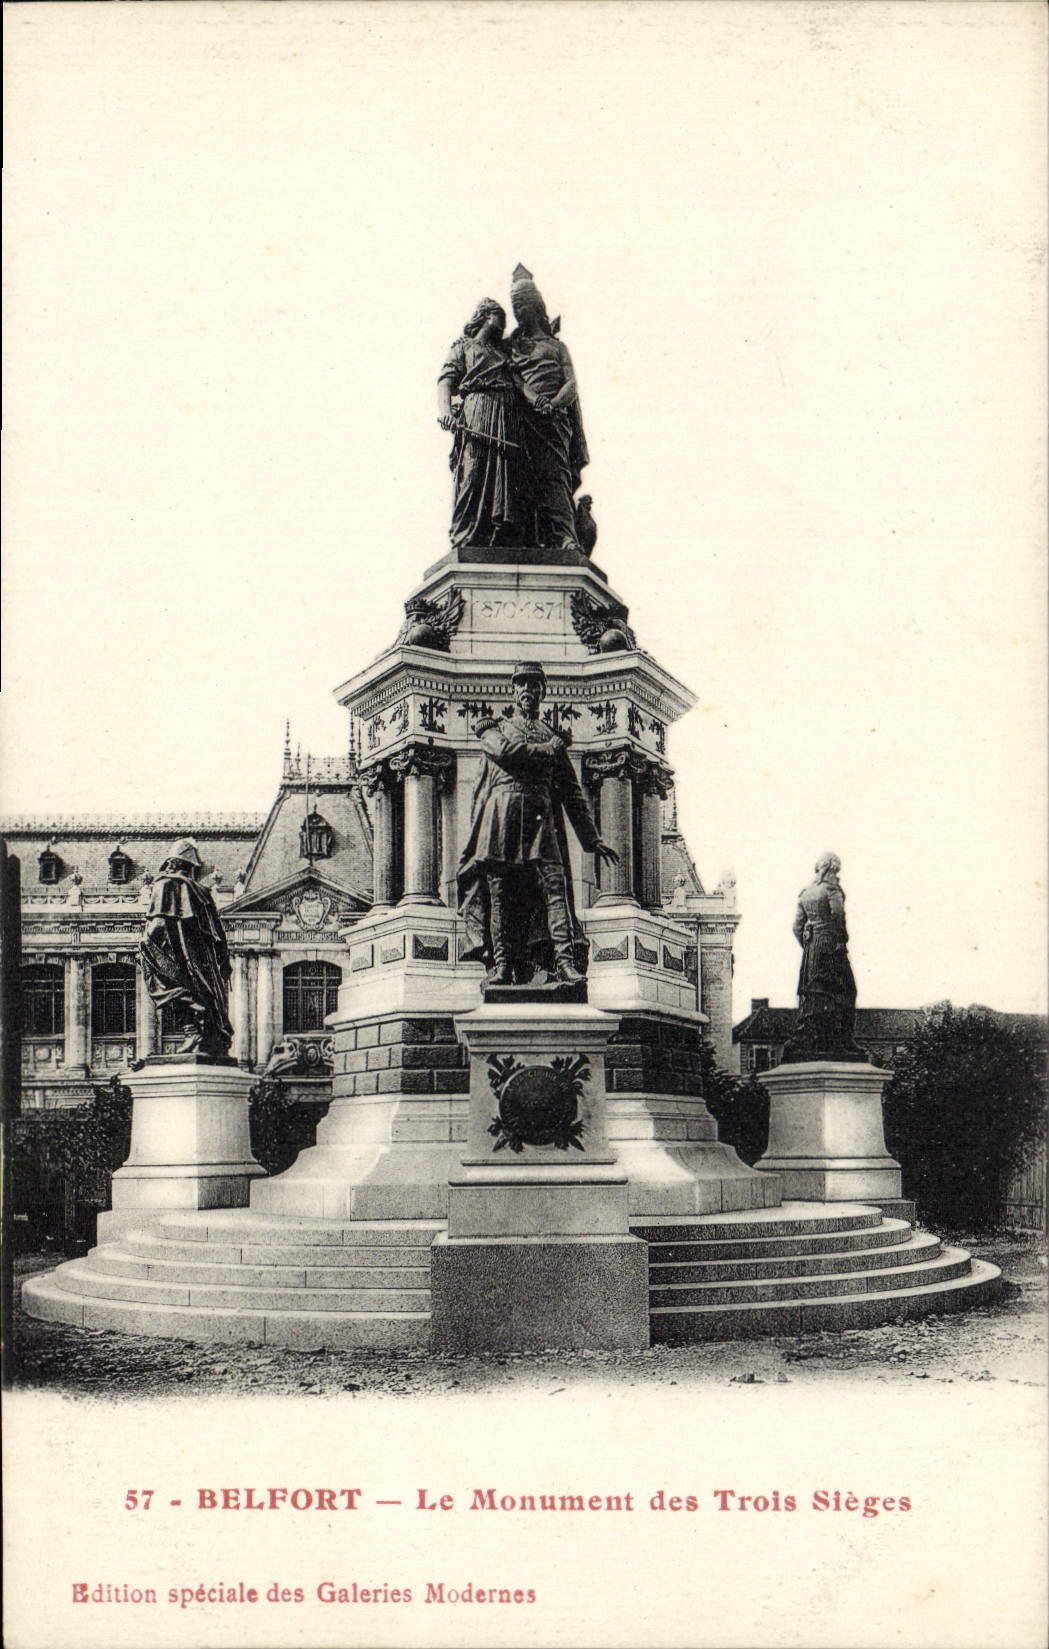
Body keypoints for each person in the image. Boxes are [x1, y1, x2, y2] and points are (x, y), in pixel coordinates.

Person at [458, 662, 619, 987]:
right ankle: (501, 966)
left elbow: (572, 792)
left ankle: (565, 964)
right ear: (513, 691)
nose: (528, 691)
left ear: (543, 692)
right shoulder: (495, 729)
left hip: (541, 821)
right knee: (500, 894)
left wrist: (592, 838)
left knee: (556, 890)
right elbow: (505, 753)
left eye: (534, 685)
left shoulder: (553, 737)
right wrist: (548, 750)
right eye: (522, 685)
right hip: (502, 816)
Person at [507, 266, 589, 554]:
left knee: (556, 477)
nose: (518, 310)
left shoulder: (557, 347)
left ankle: (565, 536)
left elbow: (571, 384)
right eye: (514, 304)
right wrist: (533, 399)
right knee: (522, 479)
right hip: (523, 418)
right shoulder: (512, 347)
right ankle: (526, 536)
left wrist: (553, 405)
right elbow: (514, 377)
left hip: (554, 421)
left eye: (523, 303)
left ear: (536, 305)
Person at [437, 299, 524, 551]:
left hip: (505, 417)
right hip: (477, 411)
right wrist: (445, 412)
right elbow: (445, 382)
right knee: (473, 471)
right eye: (501, 316)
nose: (504, 323)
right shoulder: (463, 348)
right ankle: (464, 534)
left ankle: (498, 535)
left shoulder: (502, 353)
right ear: (486, 316)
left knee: (502, 477)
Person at [140, 838, 233, 1059]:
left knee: (165, 986)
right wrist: (223, 964)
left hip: (177, 956)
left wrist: (145, 946)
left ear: (171, 863)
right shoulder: (202, 892)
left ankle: (192, 1031)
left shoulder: (164, 885)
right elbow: (219, 937)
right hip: (203, 963)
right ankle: (202, 1033)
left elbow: (158, 924)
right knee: (200, 994)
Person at [784, 852, 866, 1061]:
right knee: (846, 991)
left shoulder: (805, 893)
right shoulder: (831, 890)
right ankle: (844, 1041)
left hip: (812, 950)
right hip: (832, 947)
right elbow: (838, 917)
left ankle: (811, 1038)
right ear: (830, 869)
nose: (836, 876)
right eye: (835, 871)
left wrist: (808, 946)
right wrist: (841, 941)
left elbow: (796, 926)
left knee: (814, 994)